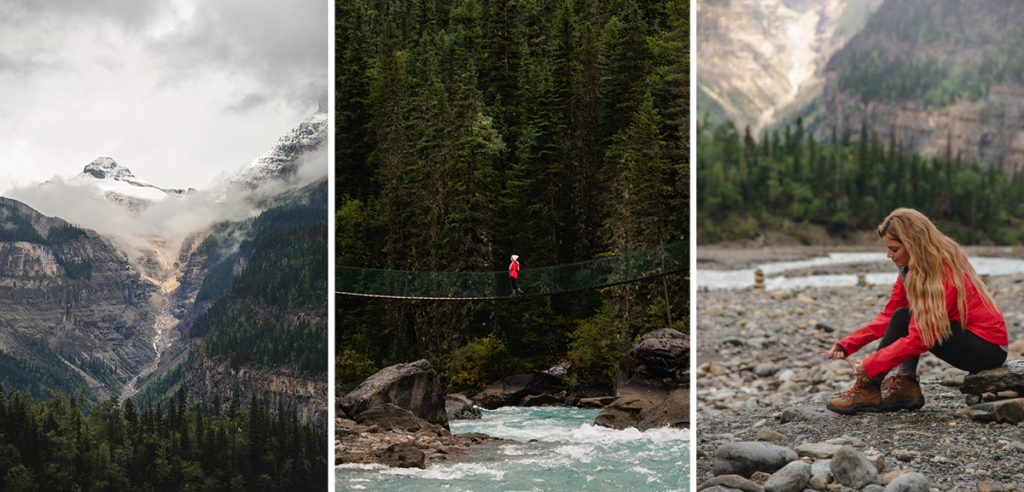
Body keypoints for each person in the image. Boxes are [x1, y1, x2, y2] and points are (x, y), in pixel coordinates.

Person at [826, 208, 1008, 415]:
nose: (889, 255)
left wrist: (871, 365)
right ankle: (906, 387)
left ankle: (869, 388)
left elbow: (921, 338)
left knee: (908, 320)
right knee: (902, 315)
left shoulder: (942, 270)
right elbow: (889, 316)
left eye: (894, 249)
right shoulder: (911, 269)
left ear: (913, 244)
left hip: (987, 348)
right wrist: (848, 343)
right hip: (967, 337)